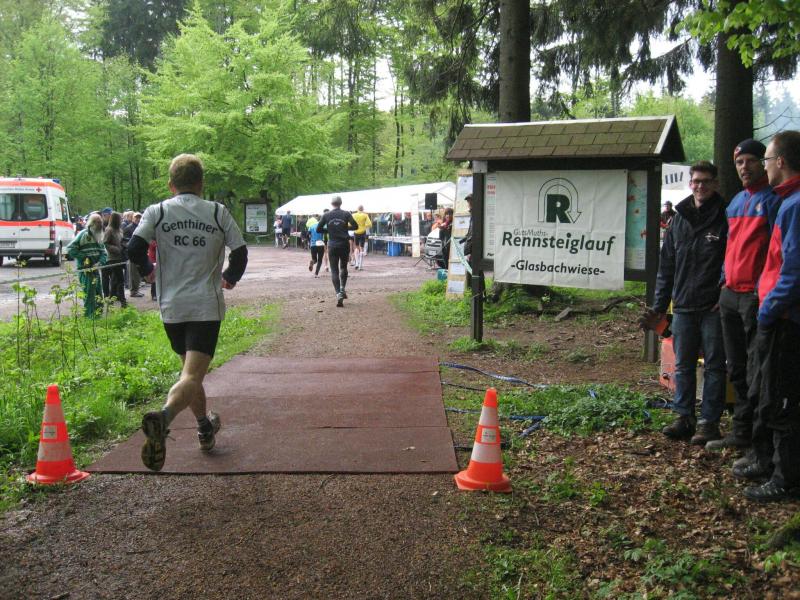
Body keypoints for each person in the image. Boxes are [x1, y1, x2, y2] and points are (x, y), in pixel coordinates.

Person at [128, 153, 248, 471]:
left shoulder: (158, 211)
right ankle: (163, 418)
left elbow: (134, 247)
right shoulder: (217, 212)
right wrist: (230, 277)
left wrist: (148, 271)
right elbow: (240, 250)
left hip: (172, 307)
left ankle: (205, 427)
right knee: (193, 376)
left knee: (188, 373)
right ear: (201, 184)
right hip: (205, 305)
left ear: (171, 185)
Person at [646, 161, 728, 445]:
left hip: (713, 306)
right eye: (696, 181)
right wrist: (659, 306)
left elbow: (732, 259)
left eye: (706, 181)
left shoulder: (726, 216)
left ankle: (709, 423)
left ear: (715, 183)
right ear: (690, 183)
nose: (700, 186)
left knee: (715, 366)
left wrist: (724, 292)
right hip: (682, 304)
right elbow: (666, 265)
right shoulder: (678, 219)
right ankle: (684, 417)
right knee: (683, 365)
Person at [706, 139, 781, 452]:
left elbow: (778, 251)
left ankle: (758, 439)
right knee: (735, 366)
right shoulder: (736, 202)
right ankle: (741, 430)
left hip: (754, 296)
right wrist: (724, 280)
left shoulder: (774, 200)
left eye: (751, 160)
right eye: (739, 162)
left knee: (756, 368)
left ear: (764, 163)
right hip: (730, 295)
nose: (744, 167)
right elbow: (730, 246)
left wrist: (763, 289)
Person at [738, 130, 800, 501]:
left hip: (785, 320)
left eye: (766, 159)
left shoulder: (794, 205)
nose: (763, 167)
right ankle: (766, 460)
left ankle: (785, 478)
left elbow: (792, 270)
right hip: (778, 315)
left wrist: (769, 309)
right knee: (766, 392)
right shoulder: (788, 200)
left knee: (782, 399)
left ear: (781, 161)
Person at [316, 196, 357, 307]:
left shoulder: (326, 215)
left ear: (332, 204)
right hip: (344, 244)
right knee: (343, 267)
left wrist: (330, 230)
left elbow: (318, 229)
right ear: (341, 203)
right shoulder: (346, 214)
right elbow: (355, 226)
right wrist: (344, 228)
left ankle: (338, 293)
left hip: (332, 245)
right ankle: (342, 288)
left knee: (334, 270)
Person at [66, 213, 107, 317]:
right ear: (92, 223)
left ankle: (98, 316)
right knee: (89, 294)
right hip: (85, 270)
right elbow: (70, 248)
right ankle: (89, 317)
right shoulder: (83, 234)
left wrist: (99, 263)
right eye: (97, 222)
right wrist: (84, 257)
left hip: (95, 269)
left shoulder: (100, 235)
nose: (99, 224)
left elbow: (104, 253)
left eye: (100, 222)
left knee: (98, 294)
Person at [102, 211, 127, 308]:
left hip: (121, 257)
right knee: (120, 280)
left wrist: (124, 245)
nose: (121, 220)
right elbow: (105, 243)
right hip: (113, 258)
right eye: (120, 218)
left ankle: (111, 301)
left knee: (115, 280)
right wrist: (116, 249)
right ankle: (123, 301)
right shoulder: (109, 230)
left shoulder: (119, 230)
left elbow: (121, 240)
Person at [124, 213, 143, 297]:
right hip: (131, 254)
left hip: (139, 253)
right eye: (136, 217)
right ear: (133, 218)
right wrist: (131, 245)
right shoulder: (128, 228)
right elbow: (124, 241)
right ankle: (133, 291)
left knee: (138, 274)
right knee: (132, 274)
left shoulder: (140, 227)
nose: (138, 219)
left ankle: (136, 290)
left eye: (139, 217)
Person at [352, 205, 372, 270]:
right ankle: (360, 266)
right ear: (363, 209)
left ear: (357, 209)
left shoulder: (353, 215)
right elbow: (369, 224)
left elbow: (349, 224)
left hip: (356, 232)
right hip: (363, 233)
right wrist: (364, 225)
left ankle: (356, 264)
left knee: (356, 247)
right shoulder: (365, 215)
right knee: (361, 248)